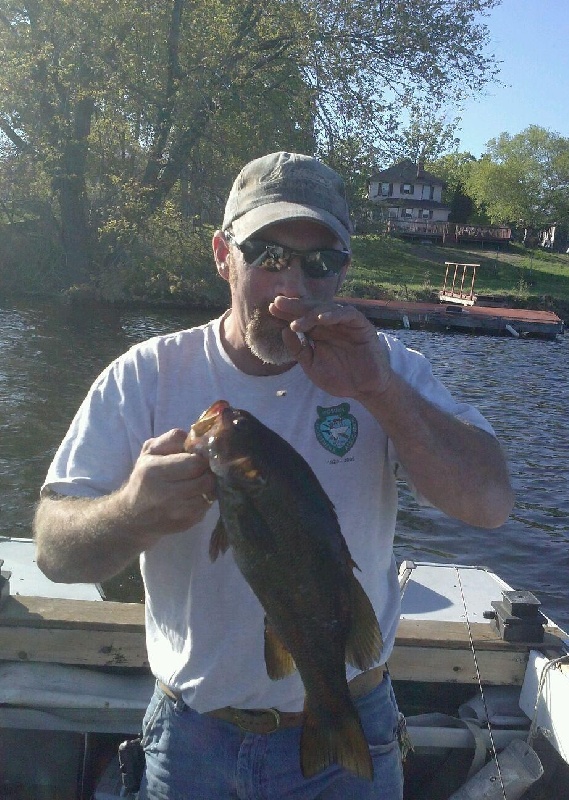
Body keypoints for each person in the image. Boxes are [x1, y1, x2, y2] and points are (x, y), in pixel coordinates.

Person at [34, 151, 514, 799]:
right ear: (221, 254)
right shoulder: (146, 376)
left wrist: (383, 392)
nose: (293, 287)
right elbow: (56, 553)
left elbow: (488, 503)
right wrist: (131, 511)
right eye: (268, 255)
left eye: (321, 263)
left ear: (344, 269)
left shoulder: (385, 366)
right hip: (191, 734)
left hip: (352, 710)